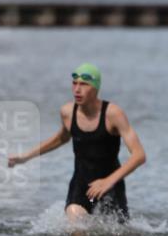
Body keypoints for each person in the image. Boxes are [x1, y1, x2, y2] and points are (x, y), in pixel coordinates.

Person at [8, 63, 146, 222]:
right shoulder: (67, 112)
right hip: (81, 184)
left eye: (84, 84)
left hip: (110, 186)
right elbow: (61, 138)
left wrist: (108, 181)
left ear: (95, 88)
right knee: (75, 224)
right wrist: (25, 157)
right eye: (75, 83)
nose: (77, 89)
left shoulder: (113, 114)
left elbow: (139, 155)